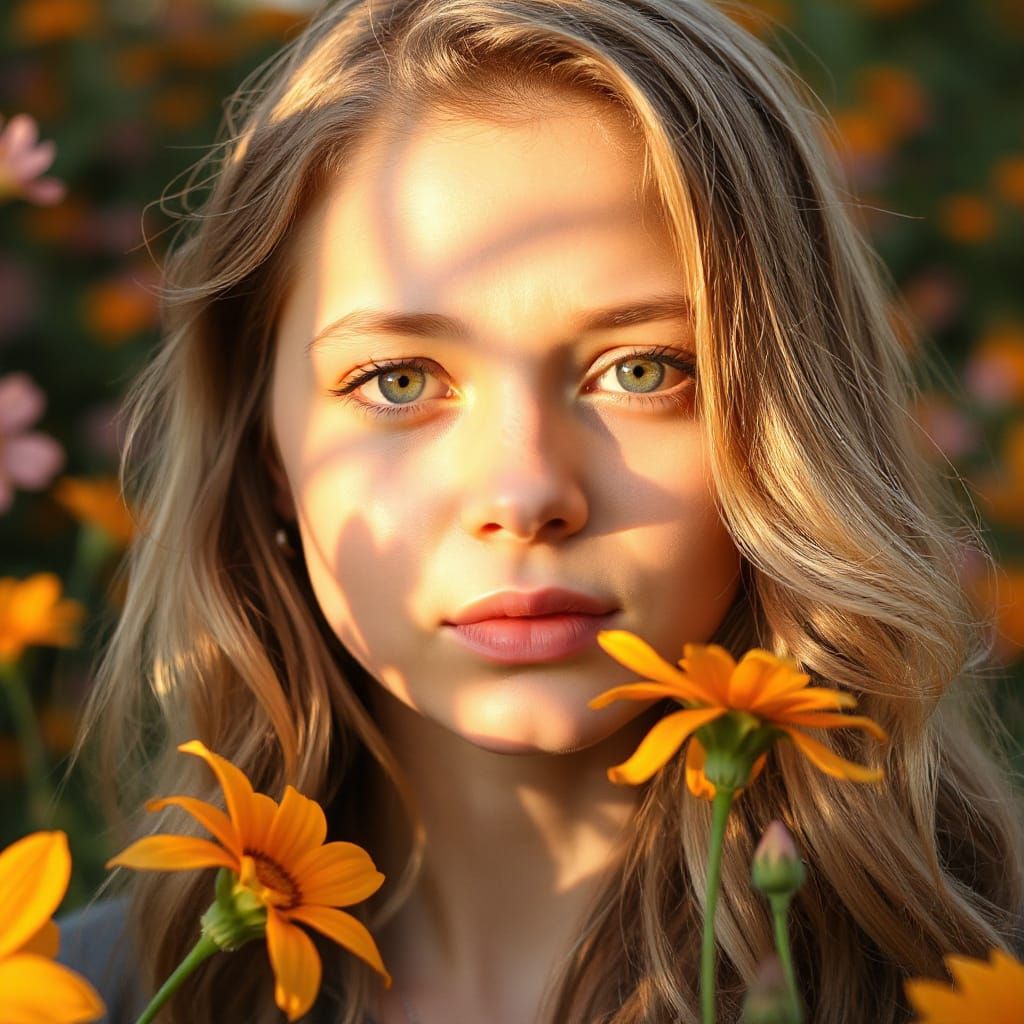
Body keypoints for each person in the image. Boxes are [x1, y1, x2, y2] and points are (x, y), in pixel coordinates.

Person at [56, 1, 1024, 1022]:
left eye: (641, 369)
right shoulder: (69, 998)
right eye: (395, 380)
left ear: (794, 426)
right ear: (266, 449)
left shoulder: (971, 985)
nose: (524, 494)